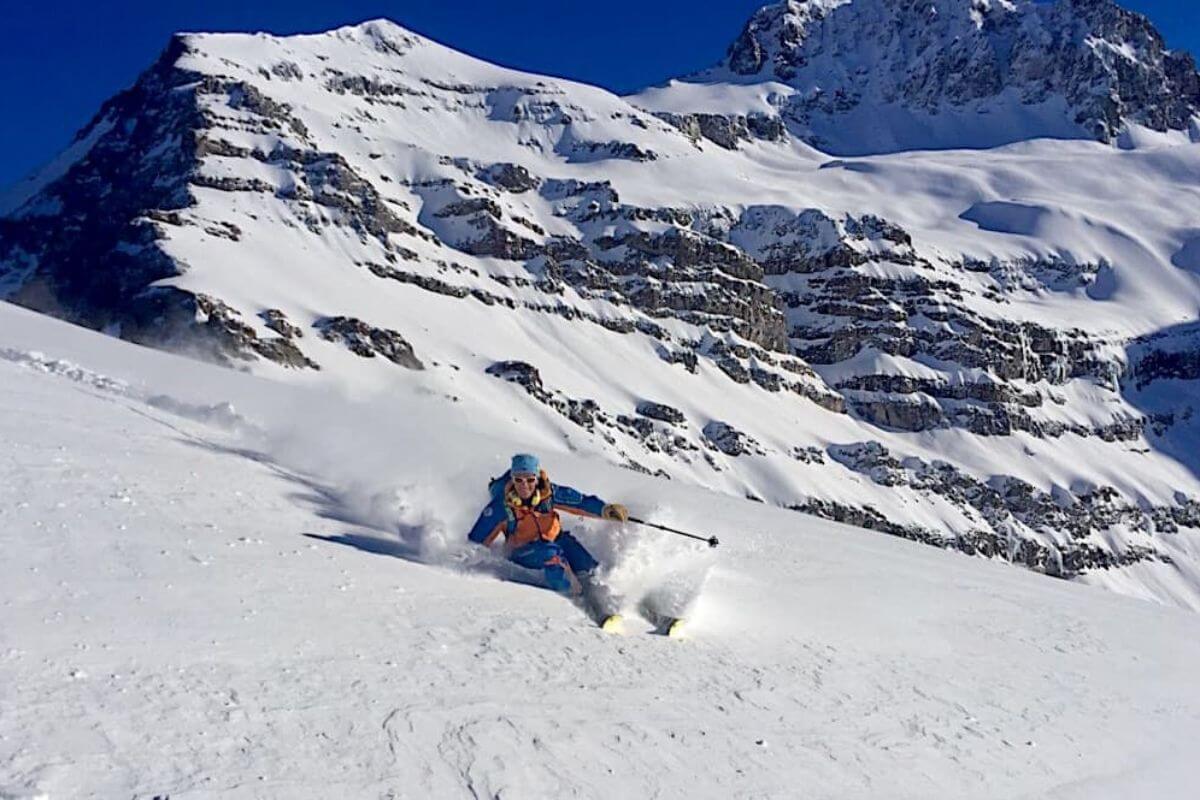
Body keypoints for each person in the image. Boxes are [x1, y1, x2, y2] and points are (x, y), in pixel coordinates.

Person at [468, 453, 628, 595]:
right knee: (553, 560)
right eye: (519, 480)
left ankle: (600, 593)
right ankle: (573, 598)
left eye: (530, 480)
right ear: (512, 479)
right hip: (523, 550)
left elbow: (580, 502)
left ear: (537, 479)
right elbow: (478, 539)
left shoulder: (549, 493)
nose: (524, 485)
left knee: (586, 565)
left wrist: (605, 509)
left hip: (557, 539)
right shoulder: (501, 506)